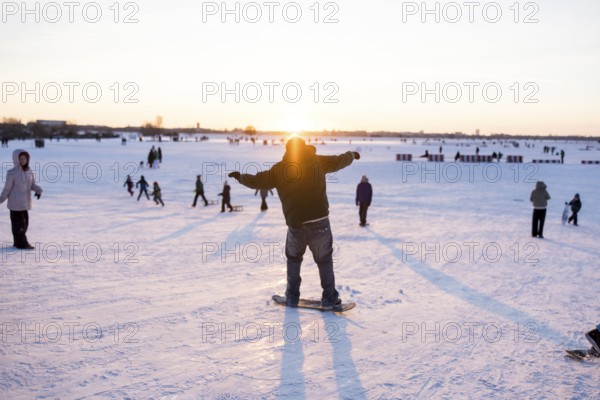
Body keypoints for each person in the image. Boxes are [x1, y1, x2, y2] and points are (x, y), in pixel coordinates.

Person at [227, 136, 360, 309]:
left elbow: (258, 180)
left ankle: (292, 297)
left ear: (287, 149)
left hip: (296, 224)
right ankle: (329, 298)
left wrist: (240, 177)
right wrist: (351, 154)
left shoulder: (280, 169)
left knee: (293, 260)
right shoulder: (318, 162)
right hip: (320, 222)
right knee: (324, 260)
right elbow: (339, 161)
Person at [0, 149, 43, 249]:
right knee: (19, 225)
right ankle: (22, 243)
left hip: (25, 203)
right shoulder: (12, 173)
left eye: (25, 158)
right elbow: (7, 188)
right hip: (15, 204)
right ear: (16, 159)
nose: (23, 160)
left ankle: (18, 242)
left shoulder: (29, 171)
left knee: (25, 224)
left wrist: (38, 190)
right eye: (21, 158)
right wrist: (1, 198)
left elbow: (31, 185)